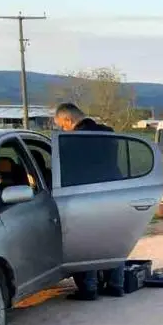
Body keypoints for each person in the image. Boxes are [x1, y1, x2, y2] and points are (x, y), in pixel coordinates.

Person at [53, 102, 116, 299]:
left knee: (87, 242)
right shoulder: (109, 132)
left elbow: (66, 171)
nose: (63, 130)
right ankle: (116, 285)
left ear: (68, 120)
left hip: (87, 196)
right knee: (114, 239)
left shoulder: (71, 140)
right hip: (115, 193)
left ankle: (89, 288)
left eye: (62, 126)